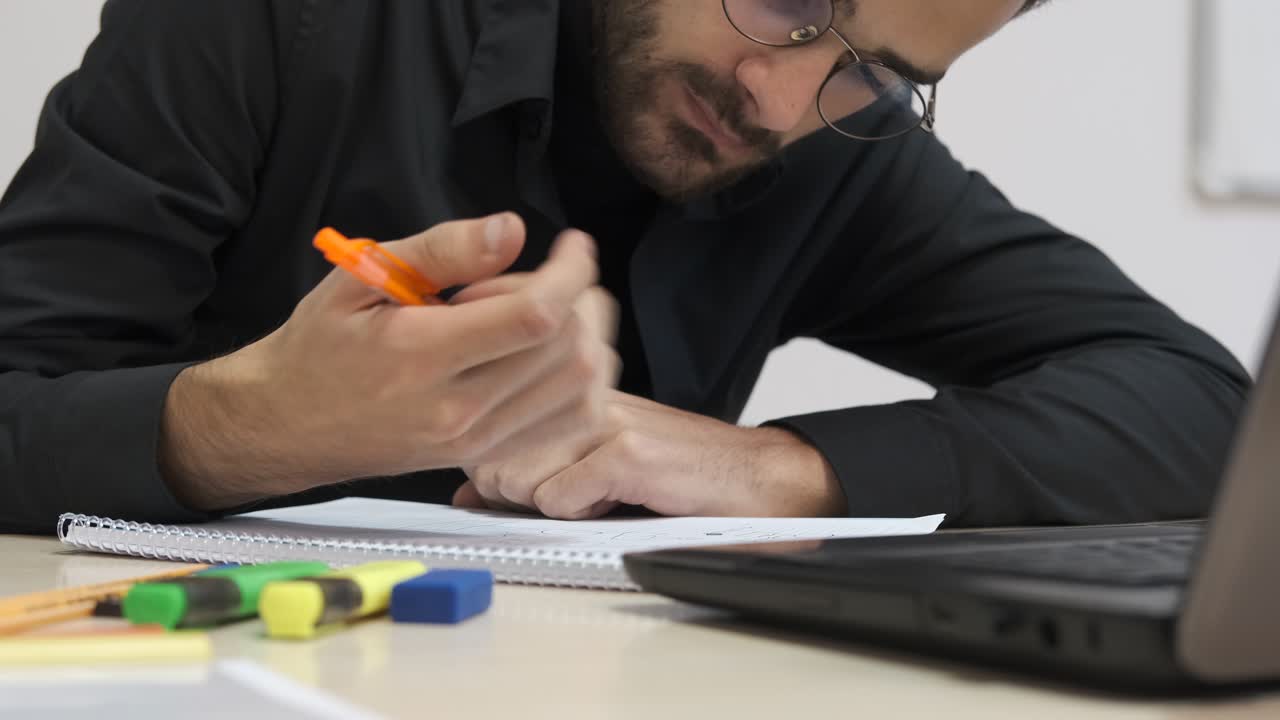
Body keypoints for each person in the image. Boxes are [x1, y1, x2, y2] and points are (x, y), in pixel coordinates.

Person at [0, 0, 1248, 534]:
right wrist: (254, 427)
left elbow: (1198, 406)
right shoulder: (278, 19)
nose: (779, 99)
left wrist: (777, 469)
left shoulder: (832, 149)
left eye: (874, 71)